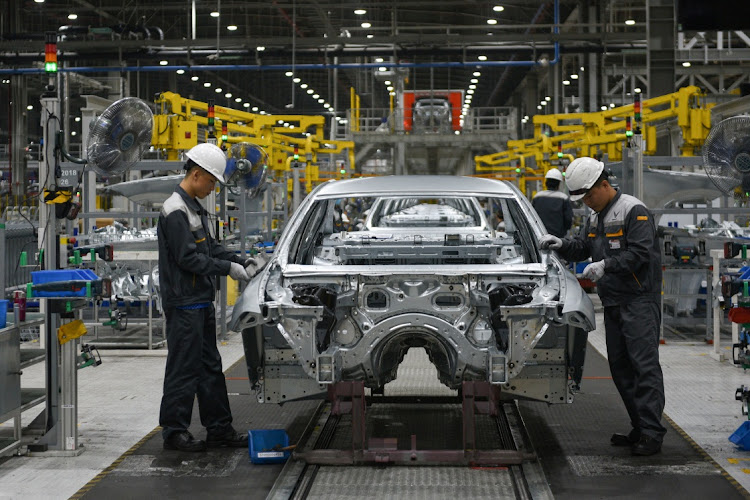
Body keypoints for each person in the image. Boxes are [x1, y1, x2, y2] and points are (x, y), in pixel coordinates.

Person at [539, 156, 665, 456]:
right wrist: (561, 243)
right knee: (621, 368)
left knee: (643, 366)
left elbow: (640, 254)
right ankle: (640, 426)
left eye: (589, 196)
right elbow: (584, 246)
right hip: (614, 302)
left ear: (604, 185)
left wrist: (605, 266)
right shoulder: (595, 217)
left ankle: (652, 432)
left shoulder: (633, 211)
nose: (586, 203)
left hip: (639, 301)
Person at [158, 143, 257, 452]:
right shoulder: (175, 210)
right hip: (183, 302)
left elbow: (209, 248)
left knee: (210, 367)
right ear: (196, 174)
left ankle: (219, 429)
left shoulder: (194, 209)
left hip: (199, 301)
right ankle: (174, 431)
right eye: (212, 181)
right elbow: (189, 259)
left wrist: (241, 259)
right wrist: (228, 268)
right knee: (183, 368)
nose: (213, 187)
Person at [532, 167, 573, 238]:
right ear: (559, 184)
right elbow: (568, 220)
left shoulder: (537, 197)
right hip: (558, 238)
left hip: (539, 236)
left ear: (546, 182)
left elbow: (531, 216)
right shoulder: (563, 198)